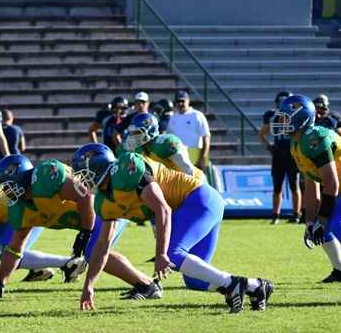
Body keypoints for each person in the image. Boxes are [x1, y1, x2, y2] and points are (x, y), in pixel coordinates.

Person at [74, 143, 273, 313]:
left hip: (199, 200)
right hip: (191, 210)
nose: (81, 180)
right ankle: (255, 286)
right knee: (196, 281)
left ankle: (232, 284)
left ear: (98, 167)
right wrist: (89, 286)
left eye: (83, 173)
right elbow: (102, 246)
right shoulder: (103, 202)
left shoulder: (128, 168)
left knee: (172, 254)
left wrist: (161, 254)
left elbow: (163, 209)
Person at [0, 154, 159, 299]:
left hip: (104, 207)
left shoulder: (46, 177)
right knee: (94, 251)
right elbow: (15, 249)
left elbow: (86, 197)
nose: (5, 191)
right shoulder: (20, 208)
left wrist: (85, 233)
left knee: (94, 251)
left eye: (7, 185)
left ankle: (146, 286)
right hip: (90, 217)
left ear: (19, 179)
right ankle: (146, 284)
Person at [272, 94, 341, 289]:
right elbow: (311, 186)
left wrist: (321, 219)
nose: (280, 121)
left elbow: (331, 184)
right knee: (321, 227)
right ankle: (340, 272)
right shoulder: (296, 144)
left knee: (339, 225)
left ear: (300, 118)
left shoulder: (315, 138)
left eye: (285, 117)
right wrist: (309, 222)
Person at [259, 91, 302, 224]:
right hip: (279, 154)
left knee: (294, 185)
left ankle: (296, 214)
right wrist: (269, 147)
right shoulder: (272, 116)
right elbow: (262, 134)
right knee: (277, 186)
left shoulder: (297, 116)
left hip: (292, 154)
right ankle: (276, 215)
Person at [122, 112, 204, 180]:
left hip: (194, 183)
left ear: (150, 130)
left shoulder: (166, 143)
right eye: (132, 133)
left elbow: (188, 171)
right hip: (173, 188)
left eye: (137, 133)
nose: (133, 136)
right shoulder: (141, 149)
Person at [167, 90, 211, 171]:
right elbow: (169, 139)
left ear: (188, 101)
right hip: (178, 157)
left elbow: (206, 137)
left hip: (195, 156)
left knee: (199, 183)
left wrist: (202, 158)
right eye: (178, 101)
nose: (180, 104)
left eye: (182, 101)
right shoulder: (173, 117)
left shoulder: (197, 115)